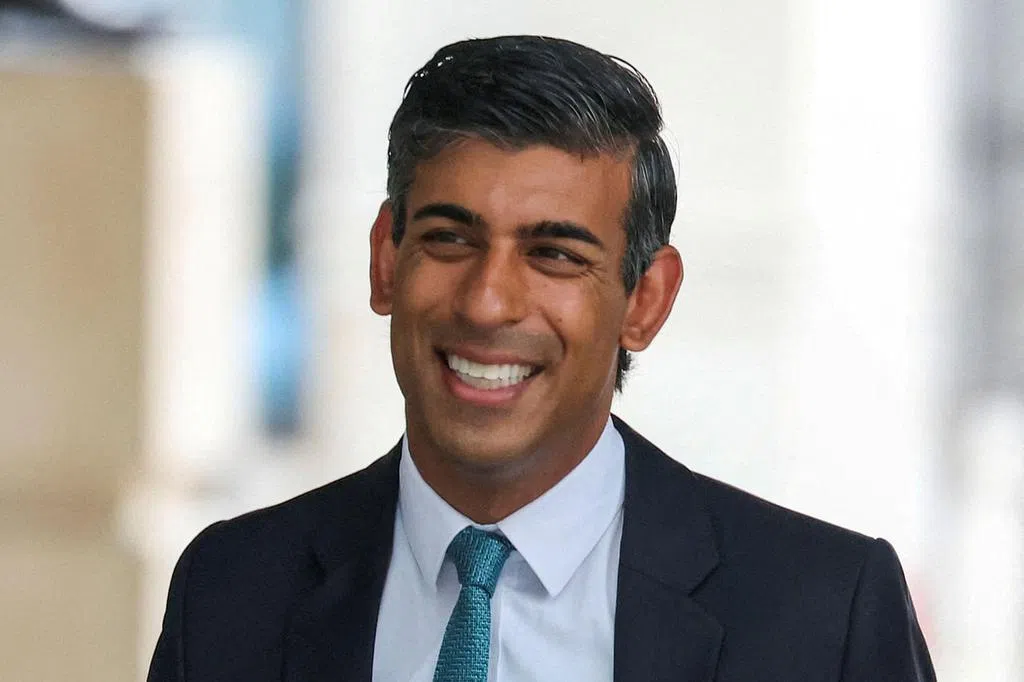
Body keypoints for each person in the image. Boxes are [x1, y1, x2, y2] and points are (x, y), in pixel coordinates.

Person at [148, 35, 936, 682]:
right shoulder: (231, 591)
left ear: (646, 300)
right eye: (449, 239)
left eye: (555, 255)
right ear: (385, 260)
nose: (487, 302)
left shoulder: (823, 614)